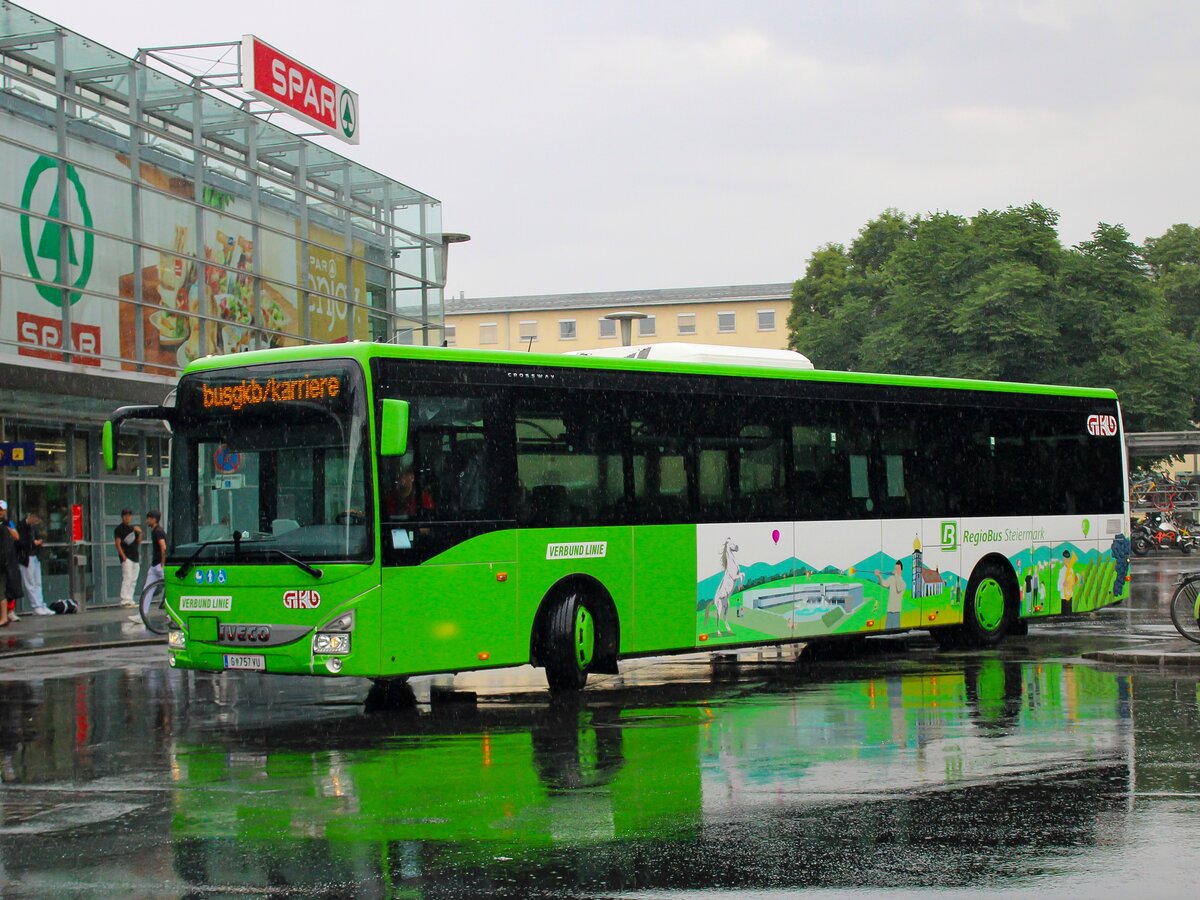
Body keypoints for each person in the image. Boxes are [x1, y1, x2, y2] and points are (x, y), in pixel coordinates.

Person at [16, 511, 50, 615]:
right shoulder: (22, 526)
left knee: (37, 582)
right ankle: (36, 605)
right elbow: (20, 542)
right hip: (26, 557)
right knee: (30, 582)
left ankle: (40, 603)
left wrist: (38, 542)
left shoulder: (33, 527)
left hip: (34, 556)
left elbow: (38, 538)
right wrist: (33, 543)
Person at [0, 500, 24, 625]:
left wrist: (8, 529)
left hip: (6, 561)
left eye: (1, 510)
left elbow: (16, 536)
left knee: (7, 587)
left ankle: (9, 612)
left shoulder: (7, 523)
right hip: (4, 560)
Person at [114, 508, 142, 608]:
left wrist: (139, 532)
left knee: (134, 578)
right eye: (126, 516)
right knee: (127, 577)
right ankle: (124, 599)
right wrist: (123, 556)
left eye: (129, 515)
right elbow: (117, 544)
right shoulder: (119, 529)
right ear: (122, 517)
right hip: (127, 557)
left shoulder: (132, 528)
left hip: (134, 556)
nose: (128, 517)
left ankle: (130, 598)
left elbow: (138, 542)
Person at [146, 509, 167, 589]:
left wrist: (162, 563)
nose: (147, 521)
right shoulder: (155, 530)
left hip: (159, 564)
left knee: (169, 586)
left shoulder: (158, 531)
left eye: (148, 518)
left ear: (154, 519)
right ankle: (145, 602)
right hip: (155, 565)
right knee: (148, 588)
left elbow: (163, 547)